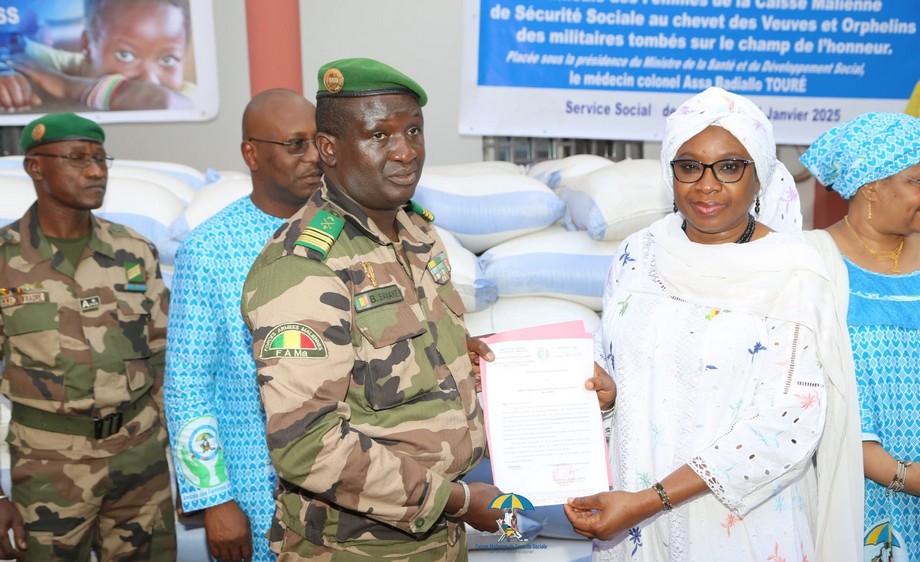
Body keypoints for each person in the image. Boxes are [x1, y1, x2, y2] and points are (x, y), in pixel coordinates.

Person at [563, 87, 863, 561]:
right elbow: (617, 357)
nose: (706, 185)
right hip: (633, 524)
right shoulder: (639, 253)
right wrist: (607, 394)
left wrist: (652, 500)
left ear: (759, 176)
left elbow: (789, 424)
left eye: (729, 167)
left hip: (740, 528)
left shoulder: (792, 273)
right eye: (689, 166)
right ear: (671, 172)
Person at [240, 57, 503, 560]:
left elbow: (402, 355)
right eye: (379, 135)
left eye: (414, 130)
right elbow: (305, 444)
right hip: (354, 546)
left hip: (438, 536)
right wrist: (457, 501)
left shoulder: (418, 233)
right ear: (328, 149)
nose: (405, 151)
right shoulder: (304, 267)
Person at [0, 113, 175, 560]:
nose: (97, 171)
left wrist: (160, 444)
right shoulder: (5, 261)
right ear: (35, 166)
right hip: (48, 469)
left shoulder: (132, 251)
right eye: (78, 159)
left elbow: (163, 355)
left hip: (141, 461)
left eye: (101, 159)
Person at [163, 88, 322, 562]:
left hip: (350, 484)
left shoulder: (347, 232)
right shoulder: (208, 250)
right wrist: (214, 498)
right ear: (251, 154)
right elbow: (188, 386)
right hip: (257, 485)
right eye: (296, 144)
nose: (314, 157)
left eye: (319, 142)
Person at [800, 112, 920, 560]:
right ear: (871, 185)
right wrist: (901, 474)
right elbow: (807, 389)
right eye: (916, 181)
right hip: (854, 487)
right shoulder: (813, 264)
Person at [0, 0, 193, 111]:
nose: (149, 79)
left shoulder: (188, 96)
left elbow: (159, 101)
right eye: (125, 55)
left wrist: (65, 86)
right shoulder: (75, 65)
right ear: (87, 45)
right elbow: (19, 53)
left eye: (168, 60)